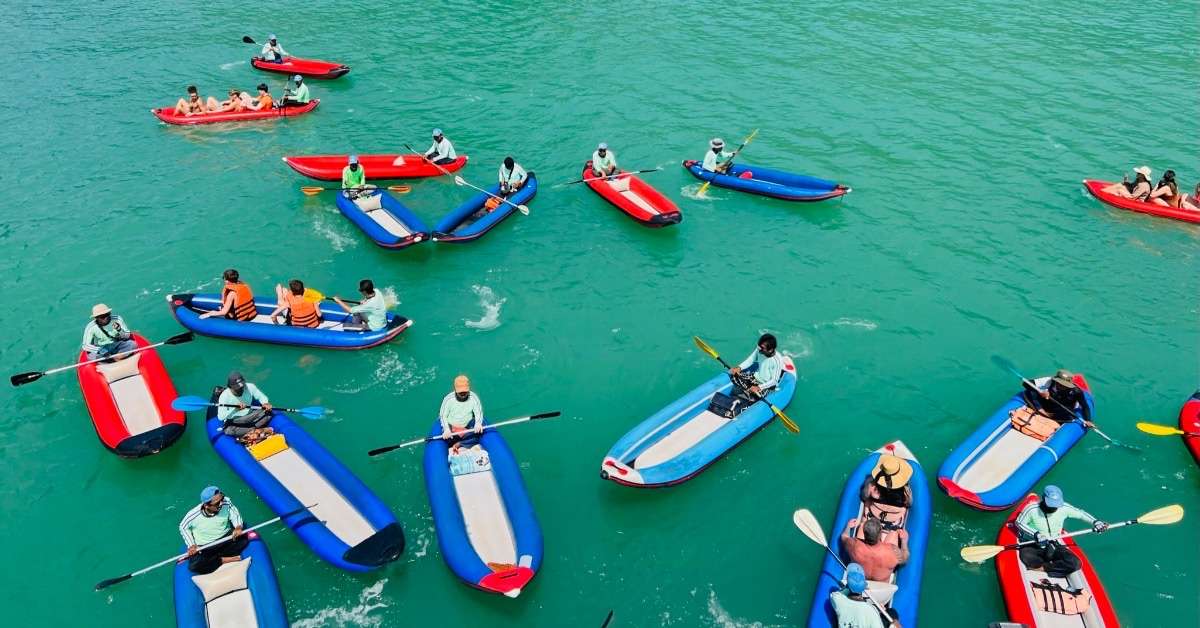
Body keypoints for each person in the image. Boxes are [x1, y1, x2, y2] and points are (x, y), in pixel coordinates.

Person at [1015, 485, 1108, 578]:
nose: (1053, 508)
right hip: (1032, 544)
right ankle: (1046, 567)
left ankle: (1044, 568)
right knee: (1028, 557)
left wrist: (1096, 522)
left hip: (1053, 544)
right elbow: (1019, 523)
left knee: (1075, 564)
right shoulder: (1032, 509)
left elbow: (1081, 514)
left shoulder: (1064, 507)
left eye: (1056, 505)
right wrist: (1036, 535)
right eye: (1051, 505)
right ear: (1043, 498)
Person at [179, 486, 246, 575]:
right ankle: (221, 560)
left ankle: (214, 559)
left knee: (244, 539)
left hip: (226, 538)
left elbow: (234, 514)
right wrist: (191, 545)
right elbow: (183, 527)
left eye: (221, 498)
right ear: (206, 505)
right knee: (194, 566)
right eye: (217, 503)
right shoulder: (193, 515)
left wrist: (238, 527)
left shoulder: (226, 502)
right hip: (206, 546)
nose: (221, 503)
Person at [842, 517, 909, 582]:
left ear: (864, 534)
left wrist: (848, 527)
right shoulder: (893, 552)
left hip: (861, 581)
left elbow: (844, 537)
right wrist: (904, 541)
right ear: (880, 534)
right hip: (881, 585)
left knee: (862, 524)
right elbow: (905, 558)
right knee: (893, 534)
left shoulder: (854, 546)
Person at [829, 563, 892, 628]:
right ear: (864, 586)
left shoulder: (838, 600)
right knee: (892, 612)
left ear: (848, 585)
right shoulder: (872, 611)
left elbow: (836, 594)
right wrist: (878, 612)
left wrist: (848, 587)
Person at [1021, 369, 1093, 426]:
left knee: (1069, 414)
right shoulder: (1049, 380)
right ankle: (1040, 410)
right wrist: (1041, 391)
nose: (1061, 386)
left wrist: (1088, 420)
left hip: (1061, 409)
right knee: (1031, 391)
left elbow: (1084, 406)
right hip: (1046, 404)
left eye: (1064, 385)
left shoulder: (1077, 391)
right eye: (1059, 383)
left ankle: (1050, 418)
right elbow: (1026, 383)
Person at [218, 371, 275, 442]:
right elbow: (221, 417)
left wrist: (265, 403)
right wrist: (235, 409)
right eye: (237, 388)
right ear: (230, 387)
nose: (241, 390)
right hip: (235, 420)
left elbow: (261, 396)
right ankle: (256, 430)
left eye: (242, 387)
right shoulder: (224, 396)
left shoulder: (250, 386)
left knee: (268, 413)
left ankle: (249, 432)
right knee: (228, 430)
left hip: (250, 415)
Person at [859, 454, 913, 526]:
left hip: (873, 515)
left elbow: (864, 497)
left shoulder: (872, 487)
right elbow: (909, 504)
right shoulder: (905, 491)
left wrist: (867, 504)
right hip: (893, 521)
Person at [728, 333, 784, 400]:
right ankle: (747, 392)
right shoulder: (759, 349)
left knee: (754, 396)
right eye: (759, 346)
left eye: (762, 348)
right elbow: (751, 360)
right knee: (733, 375)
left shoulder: (777, 360)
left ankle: (750, 395)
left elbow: (774, 380)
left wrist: (759, 387)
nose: (759, 349)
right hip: (755, 378)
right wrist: (739, 368)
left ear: (770, 350)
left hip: (765, 385)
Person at [439, 375, 484, 452]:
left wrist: (478, 423)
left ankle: (460, 444)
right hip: (451, 428)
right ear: (455, 389)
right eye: (460, 392)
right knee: (445, 437)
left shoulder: (474, 397)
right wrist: (446, 429)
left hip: (466, 427)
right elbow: (443, 416)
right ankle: (464, 443)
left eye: (465, 392)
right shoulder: (448, 399)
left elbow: (478, 413)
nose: (463, 394)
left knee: (480, 433)